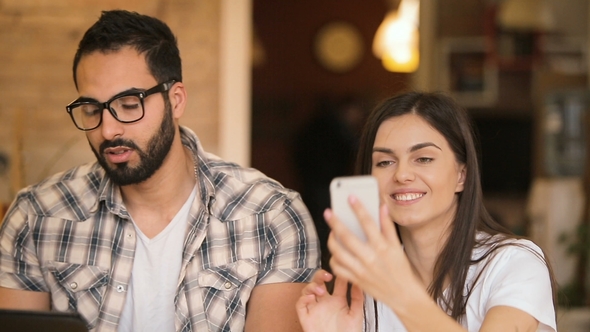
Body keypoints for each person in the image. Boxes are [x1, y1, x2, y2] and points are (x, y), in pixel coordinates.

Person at [0, 10, 319, 332]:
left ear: (176, 100)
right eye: (92, 110)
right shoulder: (36, 217)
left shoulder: (270, 215)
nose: (108, 130)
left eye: (128, 104)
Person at [295, 91, 556, 331]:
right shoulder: (366, 290)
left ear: (461, 176)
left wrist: (399, 294)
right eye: (385, 162)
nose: (402, 174)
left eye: (424, 158)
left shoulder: (514, 263)